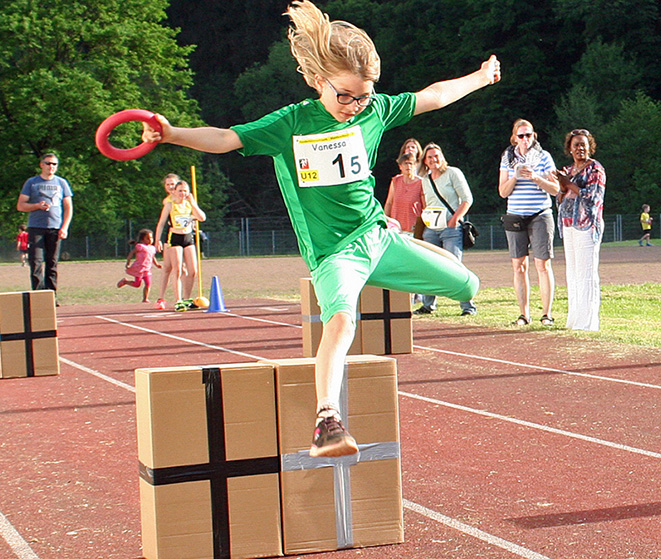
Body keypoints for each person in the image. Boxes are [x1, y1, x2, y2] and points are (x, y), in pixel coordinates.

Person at [141, 0, 499, 457]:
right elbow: (227, 138)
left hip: (378, 237)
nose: (354, 106)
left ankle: (400, 254)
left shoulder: (376, 111)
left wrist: (481, 77)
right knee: (341, 321)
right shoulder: (291, 123)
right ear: (317, 81)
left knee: (469, 283)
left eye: (364, 96)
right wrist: (173, 134)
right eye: (345, 95)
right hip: (336, 254)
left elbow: (435, 94)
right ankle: (327, 419)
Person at [498, 119, 560, 326]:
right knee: (519, 266)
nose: (525, 139)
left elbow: (555, 189)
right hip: (515, 215)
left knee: (542, 263)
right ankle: (524, 314)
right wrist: (515, 176)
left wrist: (535, 177)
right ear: (514, 138)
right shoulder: (507, 158)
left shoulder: (544, 157)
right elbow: (502, 192)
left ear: (534, 136)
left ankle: (547, 314)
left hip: (540, 214)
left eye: (529, 135)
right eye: (521, 136)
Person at [415, 143, 479, 317]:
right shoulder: (425, 180)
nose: (434, 159)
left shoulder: (453, 173)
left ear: (442, 156)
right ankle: (428, 305)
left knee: (454, 266)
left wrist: (455, 219)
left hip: (451, 228)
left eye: (436, 155)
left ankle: (468, 306)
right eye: (430, 157)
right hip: (431, 229)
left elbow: (467, 199)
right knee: (429, 266)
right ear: (425, 161)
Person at [554, 129, 606, 331]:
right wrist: (561, 184)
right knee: (573, 273)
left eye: (583, 144)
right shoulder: (568, 170)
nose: (580, 148)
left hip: (587, 225)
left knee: (586, 273)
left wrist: (569, 184)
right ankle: (574, 320)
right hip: (568, 224)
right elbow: (560, 198)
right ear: (569, 148)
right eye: (575, 145)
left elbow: (592, 197)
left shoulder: (595, 169)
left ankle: (588, 323)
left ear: (590, 146)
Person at [16, 153, 73, 305]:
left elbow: (68, 207)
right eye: (48, 163)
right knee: (36, 262)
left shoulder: (61, 183)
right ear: (41, 165)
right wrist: (36, 206)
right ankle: (38, 297)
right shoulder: (32, 183)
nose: (51, 166)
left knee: (52, 263)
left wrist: (64, 227)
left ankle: (51, 296)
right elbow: (20, 205)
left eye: (54, 164)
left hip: (54, 228)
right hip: (36, 228)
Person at [154, 180, 206, 311]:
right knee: (177, 269)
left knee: (193, 270)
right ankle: (178, 300)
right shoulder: (170, 205)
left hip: (188, 238)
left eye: (185, 190)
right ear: (175, 192)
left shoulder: (189, 205)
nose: (183, 193)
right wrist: (157, 240)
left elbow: (202, 217)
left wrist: (193, 203)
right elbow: (161, 224)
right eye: (180, 191)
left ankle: (187, 298)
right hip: (175, 238)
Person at [154, 173, 181, 310]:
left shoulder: (186, 198)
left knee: (183, 269)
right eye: (168, 184)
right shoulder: (168, 201)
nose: (170, 186)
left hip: (185, 235)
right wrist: (157, 240)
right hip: (171, 236)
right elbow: (162, 222)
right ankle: (162, 298)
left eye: (173, 184)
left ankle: (183, 296)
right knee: (168, 267)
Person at [384, 152, 424, 235]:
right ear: (400, 166)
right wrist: (385, 220)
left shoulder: (421, 183)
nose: (408, 166)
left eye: (411, 163)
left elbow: (425, 206)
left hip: (413, 228)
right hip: (396, 227)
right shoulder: (396, 181)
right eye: (405, 163)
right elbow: (389, 203)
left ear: (415, 166)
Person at [118, 228, 162, 302]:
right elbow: (131, 253)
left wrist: (157, 264)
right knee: (137, 284)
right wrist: (128, 262)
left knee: (148, 284)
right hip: (139, 269)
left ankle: (145, 298)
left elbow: (152, 257)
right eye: (147, 238)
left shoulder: (152, 248)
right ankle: (125, 281)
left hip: (147, 269)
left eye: (151, 238)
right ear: (142, 239)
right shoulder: (140, 246)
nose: (150, 240)